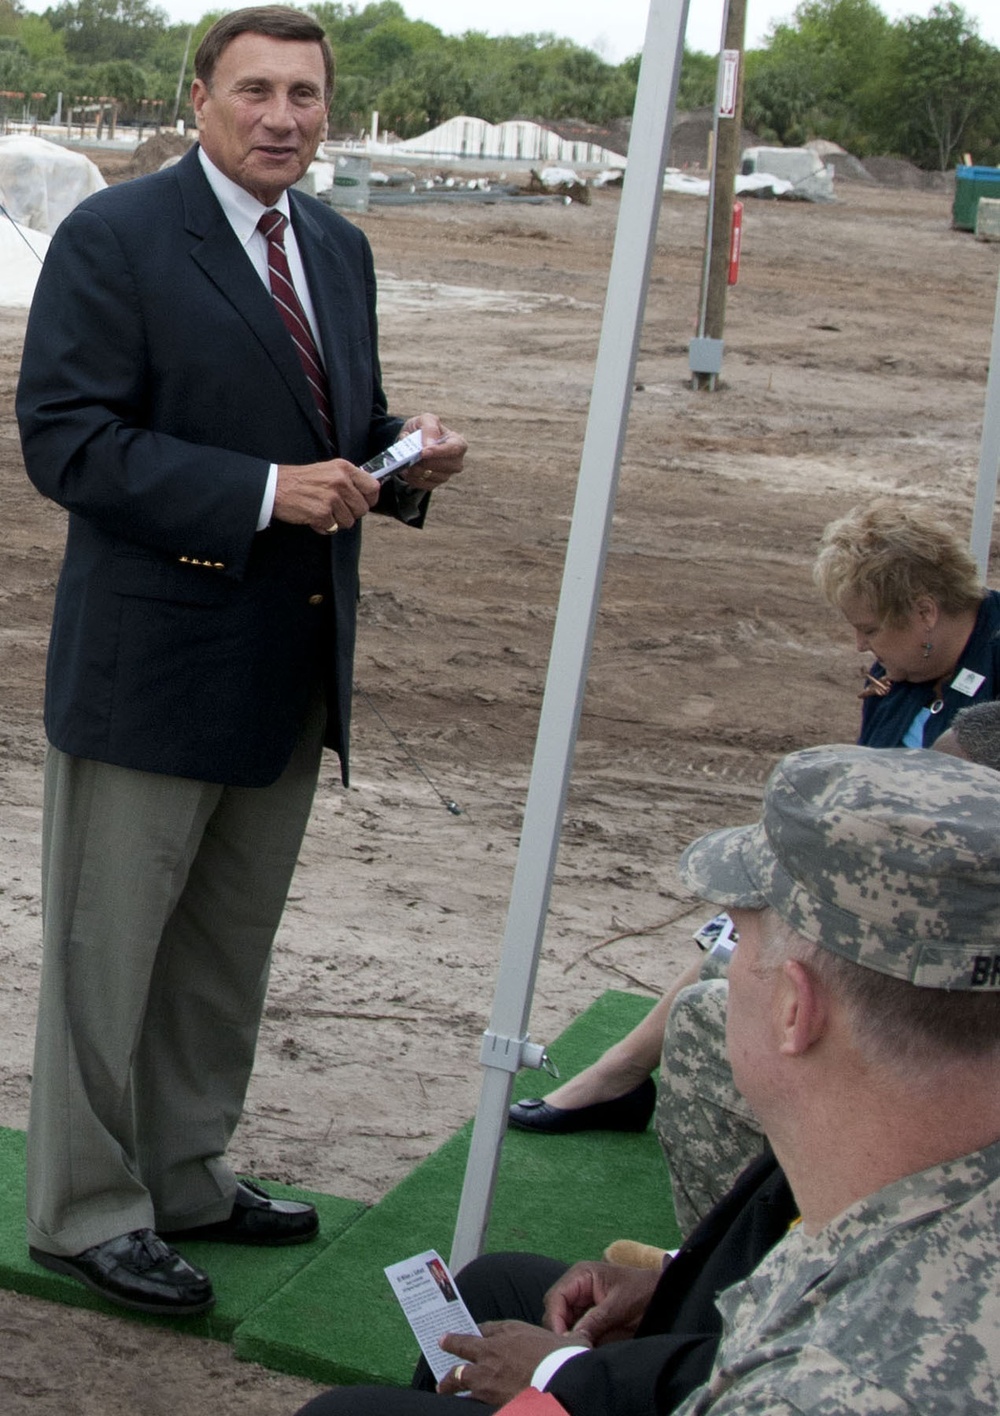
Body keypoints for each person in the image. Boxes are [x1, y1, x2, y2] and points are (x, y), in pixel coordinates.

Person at [15, 5, 466, 1318]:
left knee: (222, 955)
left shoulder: (337, 244)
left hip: (286, 662)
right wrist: (267, 492)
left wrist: (405, 456)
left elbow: (344, 420)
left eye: (307, 96)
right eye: (257, 91)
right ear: (200, 97)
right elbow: (69, 444)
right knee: (111, 962)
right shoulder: (117, 234)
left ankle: (188, 1172)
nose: (283, 117)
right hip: (150, 670)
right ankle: (87, 1212)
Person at [294, 744, 1000, 1416]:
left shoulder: (832, 1384)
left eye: (739, 939)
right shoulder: (909, 1180)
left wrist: (557, 1385)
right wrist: (673, 1284)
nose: (721, 965)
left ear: (795, 1008)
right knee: (489, 1292)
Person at [511, 497, 1000, 1136]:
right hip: (890, 892)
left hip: (954, 919)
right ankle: (623, 1073)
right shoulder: (910, 659)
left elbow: (941, 804)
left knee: (771, 919)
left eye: (869, 628)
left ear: (926, 611)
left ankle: (625, 1075)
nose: (860, 645)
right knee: (761, 907)